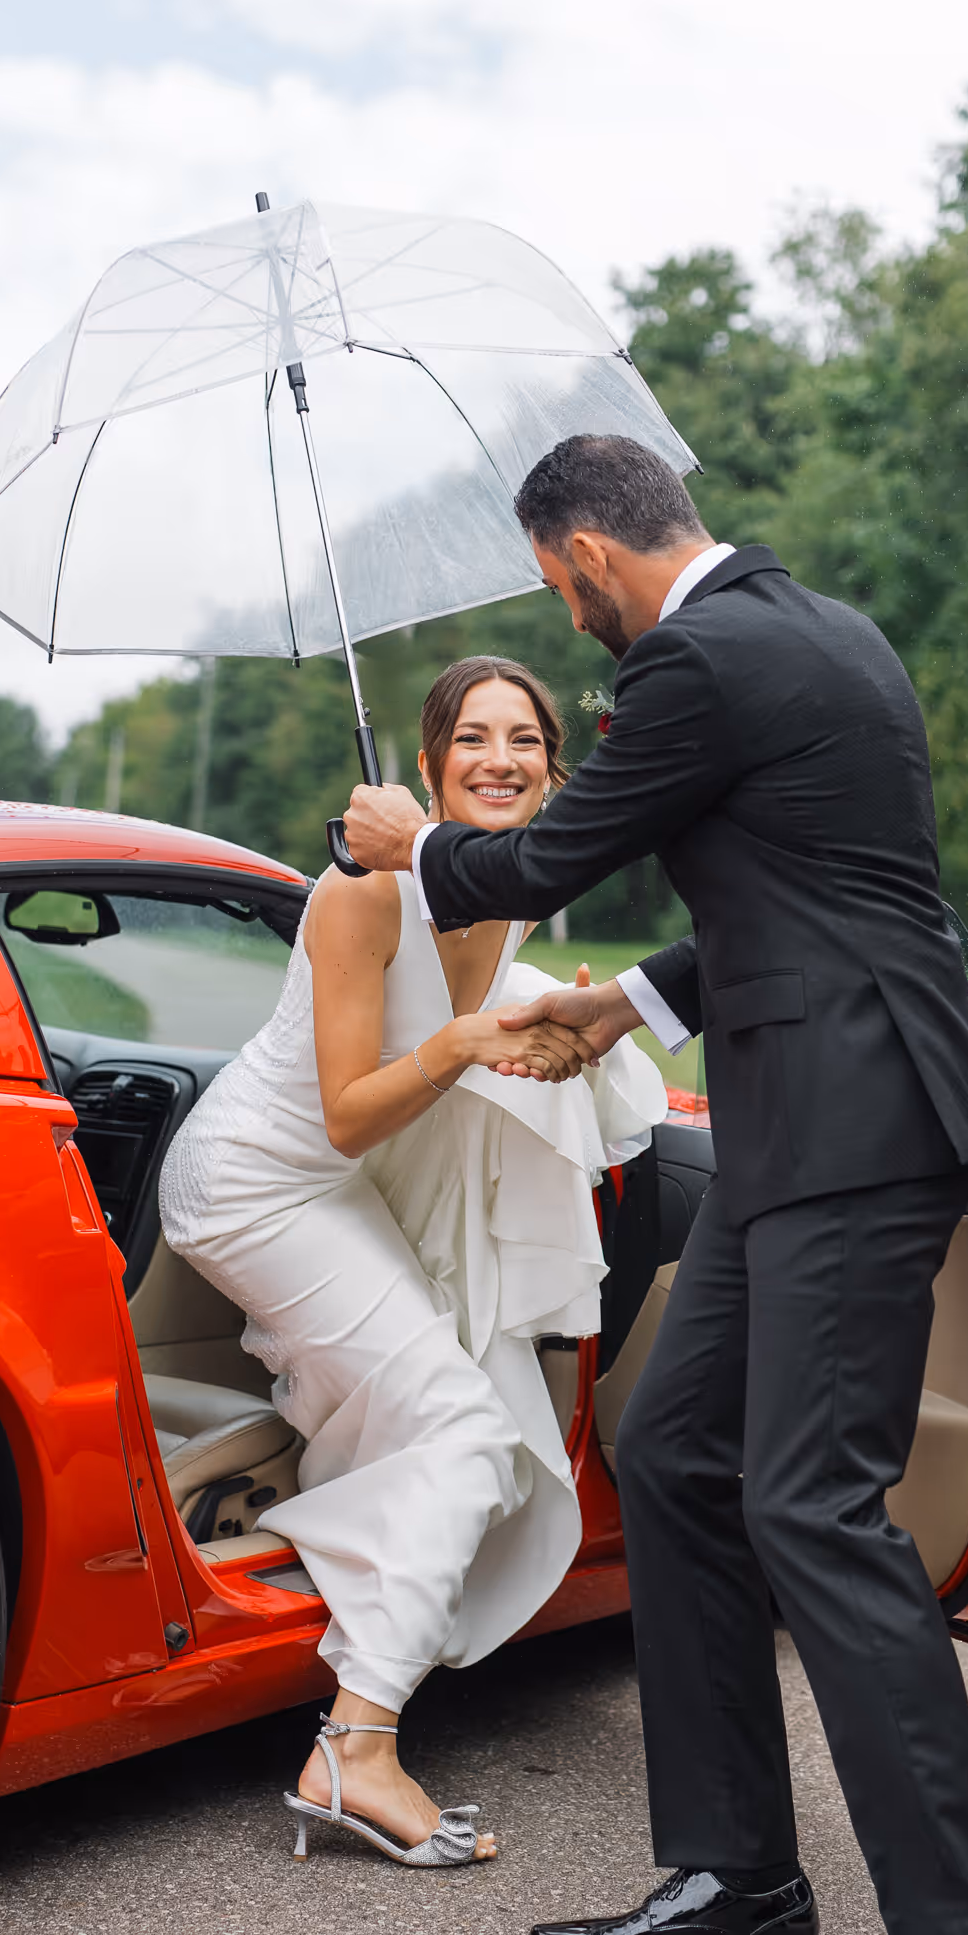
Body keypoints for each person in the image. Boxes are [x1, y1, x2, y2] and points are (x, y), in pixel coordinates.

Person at [342, 437, 968, 1935]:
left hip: (855, 1127)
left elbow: (533, 863)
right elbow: (802, 877)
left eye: (556, 587)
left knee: (818, 1510)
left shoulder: (690, 661)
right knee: (675, 1447)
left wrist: (404, 836)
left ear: (590, 553)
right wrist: (626, 1009)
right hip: (811, 1111)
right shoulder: (823, 633)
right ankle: (739, 1881)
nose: (566, 615)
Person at [160, 655, 666, 1870]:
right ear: (431, 766)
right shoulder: (364, 897)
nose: (503, 758)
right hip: (254, 1183)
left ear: (553, 772)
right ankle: (357, 1745)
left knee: (452, 1409)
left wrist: (546, 1038)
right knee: (458, 1434)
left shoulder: (513, 898)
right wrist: (465, 1041)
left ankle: (331, 1615)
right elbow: (347, 1112)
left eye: (528, 741)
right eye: (476, 739)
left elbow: (467, 1058)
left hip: (342, 1189)